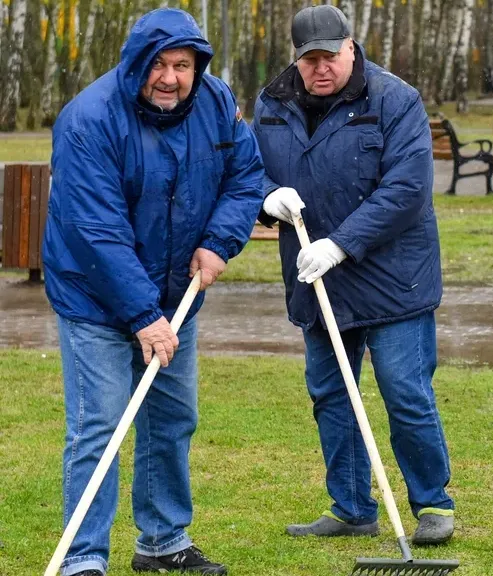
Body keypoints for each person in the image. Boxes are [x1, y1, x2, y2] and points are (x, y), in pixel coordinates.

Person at [42, 8, 265, 576]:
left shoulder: (215, 103)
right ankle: (84, 558)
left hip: (175, 295)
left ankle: (163, 541)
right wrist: (142, 314)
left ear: (198, 67)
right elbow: (94, 229)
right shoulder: (88, 119)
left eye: (182, 65)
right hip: (95, 298)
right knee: (100, 425)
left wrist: (219, 242)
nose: (170, 77)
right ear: (138, 63)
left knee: (170, 419)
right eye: (160, 65)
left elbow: (245, 176)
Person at [251, 4, 456, 545]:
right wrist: (265, 198)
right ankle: (351, 507)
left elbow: (407, 190)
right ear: (295, 59)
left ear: (351, 46)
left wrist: (341, 244)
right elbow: (245, 175)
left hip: (394, 278)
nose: (321, 68)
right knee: (330, 395)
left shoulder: (394, 99)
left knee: (405, 391)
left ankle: (433, 503)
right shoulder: (272, 105)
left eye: (330, 56)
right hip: (318, 283)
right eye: (309, 59)